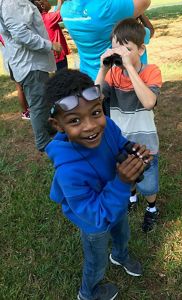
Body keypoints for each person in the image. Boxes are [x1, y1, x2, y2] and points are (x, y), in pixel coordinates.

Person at [44, 68, 152, 300]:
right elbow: (96, 215)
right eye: (74, 120)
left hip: (117, 202)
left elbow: (119, 143)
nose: (91, 126)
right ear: (58, 125)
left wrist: (132, 152)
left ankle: (120, 255)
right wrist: (123, 182)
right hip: (94, 220)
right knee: (96, 260)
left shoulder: (108, 126)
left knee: (122, 232)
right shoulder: (68, 171)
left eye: (95, 113)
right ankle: (88, 292)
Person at [96, 18, 162, 232]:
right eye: (116, 47)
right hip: (120, 141)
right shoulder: (113, 74)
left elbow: (149, 102)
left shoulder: (151, 71)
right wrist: (103, 70)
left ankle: (152, 207)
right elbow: (94, 100)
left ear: (141, 50)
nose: (121, 53)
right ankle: (131, 197)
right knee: (126, 172)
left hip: (145, 143)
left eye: (127, 48)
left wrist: (130, 68)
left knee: (149, 183)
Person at [0, 0, 62, 151]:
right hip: (30, 64)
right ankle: (44, 142)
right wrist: (50, 45)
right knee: (38, 105)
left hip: (29, 62)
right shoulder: (11, 3)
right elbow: (21, 35)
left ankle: (49, 128)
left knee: (42, 99)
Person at [60, 0, 151, 80]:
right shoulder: (105, 7)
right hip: (116, 79)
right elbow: (145, 2)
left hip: (89, 76)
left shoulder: (65, 10)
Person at [33, 0, 70, 71]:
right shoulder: (48, 18)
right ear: (42, 6)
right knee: (62, 75)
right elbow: (61, 12)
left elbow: (57, 12)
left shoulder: (39, 18)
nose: (49, 2)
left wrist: (60, 1)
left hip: (48, 53)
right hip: (58, 53)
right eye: (46, 1)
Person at [0, 34, 30, 120]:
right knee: (20, 87)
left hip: (14, 60)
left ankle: (28, 108)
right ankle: (25, 112)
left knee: (22, 87)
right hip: (13, 61)